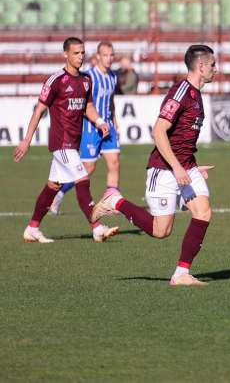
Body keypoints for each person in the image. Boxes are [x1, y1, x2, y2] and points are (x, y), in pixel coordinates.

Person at [91, 45, 218, 287]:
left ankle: (182, 273)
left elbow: (182, 140)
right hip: (164, 169)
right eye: (213, 65)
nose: (216, 69)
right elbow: (158, 131)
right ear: (201, 66)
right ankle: (115, 202)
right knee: (161, 231)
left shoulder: (196, 95)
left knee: (203, 212)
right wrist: (178, 168)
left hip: (186, 168)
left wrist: (192, 167)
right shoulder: (181, 91)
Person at [13, 37, 118, 243]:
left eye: (82, 53)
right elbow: (39, 111)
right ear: (65, 55)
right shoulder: (56, 80)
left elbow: (88, 106)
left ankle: (32, 228)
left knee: (52, 186)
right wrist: (27, 140)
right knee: (82, 179)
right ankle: (96, 228)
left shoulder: (86, 79)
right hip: (61, 143)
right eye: (76, 53)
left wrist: (98, 121)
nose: (80, 57)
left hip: (74, 142)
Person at [50, 41, 121, 215]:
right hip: (91, 129)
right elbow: (83, 103)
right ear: (98, 57)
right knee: (87, 169)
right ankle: (59, 194)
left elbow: (110, 101)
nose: (109, 59)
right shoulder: (89, 77)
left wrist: (114, 119)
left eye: (111, 55)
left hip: (108, 127)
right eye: (105, 55)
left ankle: (110, 200)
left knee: (114, 163)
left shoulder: (113, 77)